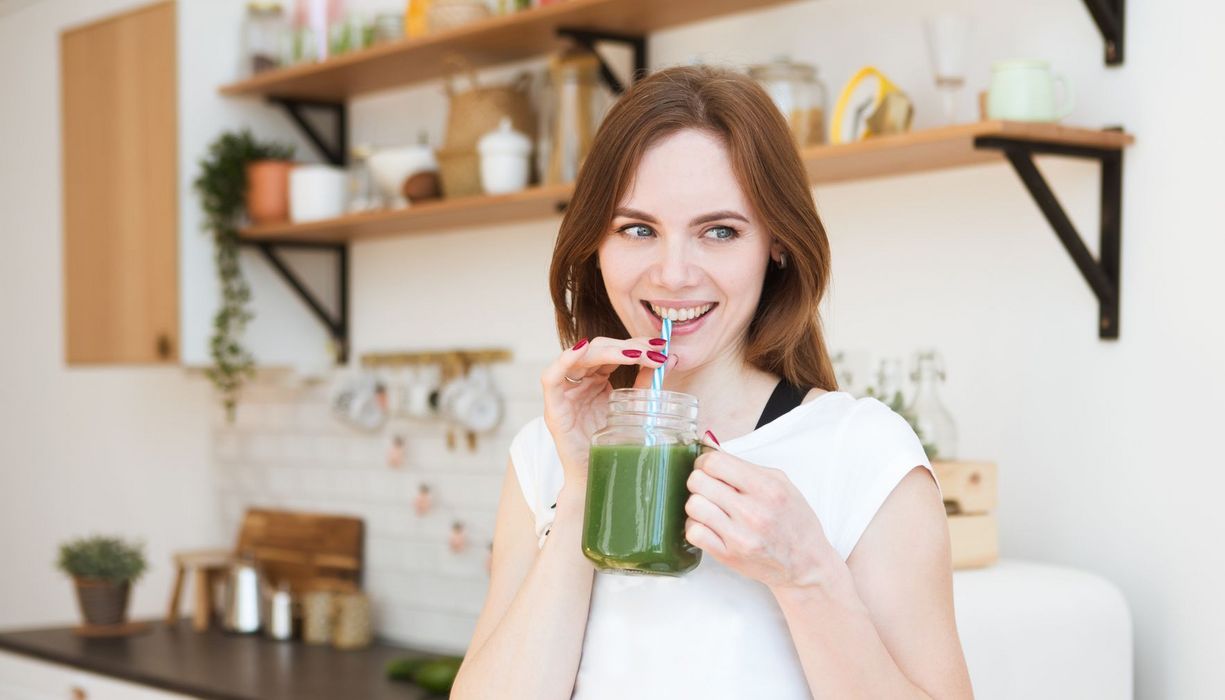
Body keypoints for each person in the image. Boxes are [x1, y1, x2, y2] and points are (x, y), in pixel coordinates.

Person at [451, 65, 973, 699]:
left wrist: (807, 576)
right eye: (637, 229)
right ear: (596, 245)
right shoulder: (544, 454)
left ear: (776, 244)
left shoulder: (864, 455)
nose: (673, 275)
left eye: (719, 231)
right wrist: (585, 484)